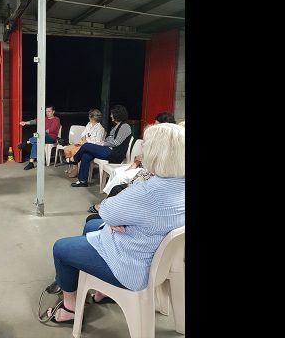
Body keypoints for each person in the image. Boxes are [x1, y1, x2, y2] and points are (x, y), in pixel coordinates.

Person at [45, 122, 185, 323]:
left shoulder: (148, 190)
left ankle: (70, 309)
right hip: (156, 253)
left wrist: (114, 218)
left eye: (146, 145)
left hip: (133, 266)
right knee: (91, 226)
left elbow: (106, 210)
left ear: (156, 153)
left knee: (61, 248)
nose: (142, 149)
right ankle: (101, 289)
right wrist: (116, 219)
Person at [97, 111, 176, 197]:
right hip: (142, 166)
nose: (155, 127)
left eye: (157, 125)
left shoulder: (171, 144)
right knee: (116, 171)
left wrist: (138, 163)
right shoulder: (155, 138)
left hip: (149, 171)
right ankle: (111, 198)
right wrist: (135, 163)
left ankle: (112, 200)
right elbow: (141, 156)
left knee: (120, 177)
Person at [69, 105, 132, 187]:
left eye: (112, 114)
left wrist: (103, 143)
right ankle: (82, 181)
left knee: (86, 145)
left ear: (117, 114)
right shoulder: (115, 126)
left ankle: (74, 159)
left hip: (114, 153)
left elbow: (116, 142)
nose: (111, 116)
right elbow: (110, 139)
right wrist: (103, 142)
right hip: (108, 149)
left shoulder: (125, 127)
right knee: (85, 155)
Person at [63, 109, 106, 178]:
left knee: (75, 151)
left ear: (92, 117)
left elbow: (97, 142)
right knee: (67, 149)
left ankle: (75, 169)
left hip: (90, 146)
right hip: (82, 143)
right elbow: (83, 134)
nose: (88, 117)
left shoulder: (100, 129)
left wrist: (86, 141)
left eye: (89, 116)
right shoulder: (89, 124)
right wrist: (83, 140)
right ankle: (72, 165)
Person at [18, 105, 61, 170]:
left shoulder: (56, 119)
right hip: (41, 137)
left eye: (49, 111)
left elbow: (52, 129)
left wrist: (41, 133)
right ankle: (31, 163)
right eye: (46, 111)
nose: (47, 113)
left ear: (53, 112)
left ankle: (27, 142)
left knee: (39, 135)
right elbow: (34, 121)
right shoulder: (44, 118)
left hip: (51, 138)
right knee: (36, 142)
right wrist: (25, 123)